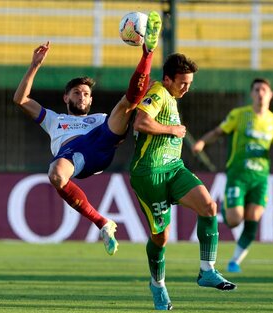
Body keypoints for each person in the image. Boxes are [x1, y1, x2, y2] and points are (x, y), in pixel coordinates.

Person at [13, 11, 162, 256]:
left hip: (101, 143)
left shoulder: (100, 118)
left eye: (85, 93)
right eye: (76, 92)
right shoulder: (54, 120)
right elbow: (20, 100)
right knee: (57, 175)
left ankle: (148, 52)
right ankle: (103, 223)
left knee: (128, 104)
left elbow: (122, 125)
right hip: (72, 154)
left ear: (91, 100)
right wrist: (34, 65)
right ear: (66, 97)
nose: (81, 96)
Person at [129, 53, 237, 311]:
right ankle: (157, 285)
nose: (187, 88)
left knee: (209, 206)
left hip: (174, 168)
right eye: (182, 83)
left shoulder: (171, 97)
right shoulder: (158, 92)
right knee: (161, 238)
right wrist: (172, 130)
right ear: (167, 79)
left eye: (189, 83)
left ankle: (207, 270)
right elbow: (141, 121)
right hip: (149, 173)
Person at [192, 78, 273, 273]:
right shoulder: (239, 115)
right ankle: (227, 209)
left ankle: (235, 261)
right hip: (238, 175)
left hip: (260, 178)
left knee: (254, 216)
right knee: (235, 219)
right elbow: (218, 132)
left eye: (264, 89)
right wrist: (203, 142)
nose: (261, 93)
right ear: (251, 94)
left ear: (271, 95)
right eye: (257, 90)